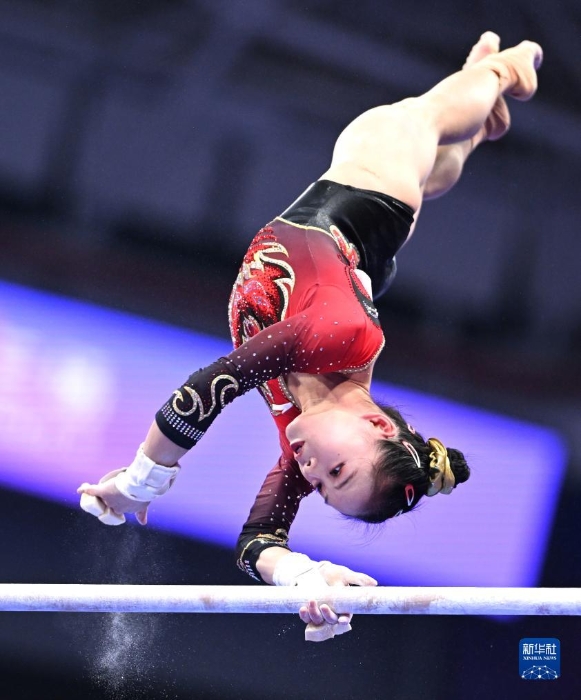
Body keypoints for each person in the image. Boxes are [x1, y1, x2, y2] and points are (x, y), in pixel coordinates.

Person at [78, 32, 542, 641]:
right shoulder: (339, 337)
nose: (312, 471)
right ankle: (505, 71)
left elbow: (256, 542)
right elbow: (214, 384)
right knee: (416, 120)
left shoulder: (306, 429)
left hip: (363, 262)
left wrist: (303, 577)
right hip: (366, 196)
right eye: (338, 471)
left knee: (433, 163)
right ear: (377, 425)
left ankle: (476, 127)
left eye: (323, 488)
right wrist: (142, 482)